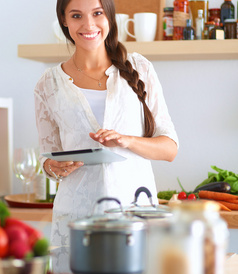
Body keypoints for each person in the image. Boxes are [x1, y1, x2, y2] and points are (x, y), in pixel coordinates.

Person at [35, 0, 179, 247]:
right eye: (77, 15)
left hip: (134, 215)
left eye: (97, 13)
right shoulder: (48, 84)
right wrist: (51, 166)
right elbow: (47, 155)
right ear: (63, 20)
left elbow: (170, 148)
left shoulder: (140, 68)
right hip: (76, 220)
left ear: (110, 17)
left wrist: (127, 140)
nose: (88, 24)